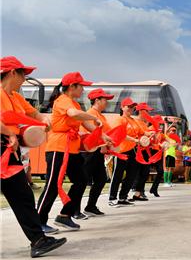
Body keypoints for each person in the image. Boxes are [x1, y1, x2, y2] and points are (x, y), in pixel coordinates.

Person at [0, 56, 67, 257]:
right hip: (5, 146)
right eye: (24, 74)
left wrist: (45, 121)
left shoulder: (16, 97)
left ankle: (38, 240)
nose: (25, 79)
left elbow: (35, 115)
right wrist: (10, 132)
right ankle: (38, 240)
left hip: (8, 150)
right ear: (12, 72)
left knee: (22, 194)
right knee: (21, 194)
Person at [37, 72, 106, 231]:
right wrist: (92, 117)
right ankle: (39, 222)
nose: (83, 89)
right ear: (72, 87)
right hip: (58, 148)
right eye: (81, 86)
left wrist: (104, 137)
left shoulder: (75, 104)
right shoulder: (62, 101)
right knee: (53, 184)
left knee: (81, 180)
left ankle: (65, 216)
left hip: (72, 149)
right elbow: (75, 115)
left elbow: (88, 126)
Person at [81, 88, 114, 217]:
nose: (107, 102)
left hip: (98, 152)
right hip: (89, 151)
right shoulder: (90, 113)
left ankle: (90, 206)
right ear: (97, 100)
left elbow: (108, 133)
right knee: (82, 181)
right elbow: (92, 133)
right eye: (105, 99)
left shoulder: (101, 116)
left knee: (100, 180)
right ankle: (74, 210)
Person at [108, 97, 143, 207]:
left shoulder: (134, 121)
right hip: (122, 150)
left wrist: (149, 135)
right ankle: (112, 198)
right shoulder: (119, 120)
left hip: (133, 150)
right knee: (117, 175)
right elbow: (120, 134)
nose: (131, 108)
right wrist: (135, 140)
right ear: (122, 107)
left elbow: (142, 133)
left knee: (131, 175)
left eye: (133, 107)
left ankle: (123, 197)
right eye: (129, 106)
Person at [132, 102, 155, 201]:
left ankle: (139, 193)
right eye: (147, 111)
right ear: (141, 111)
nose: (148, 114)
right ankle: (136, 192)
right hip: (136, 150)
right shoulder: (135, 121)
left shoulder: (144, 124)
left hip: (145, 150)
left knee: (144, 172)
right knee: (137, 172)